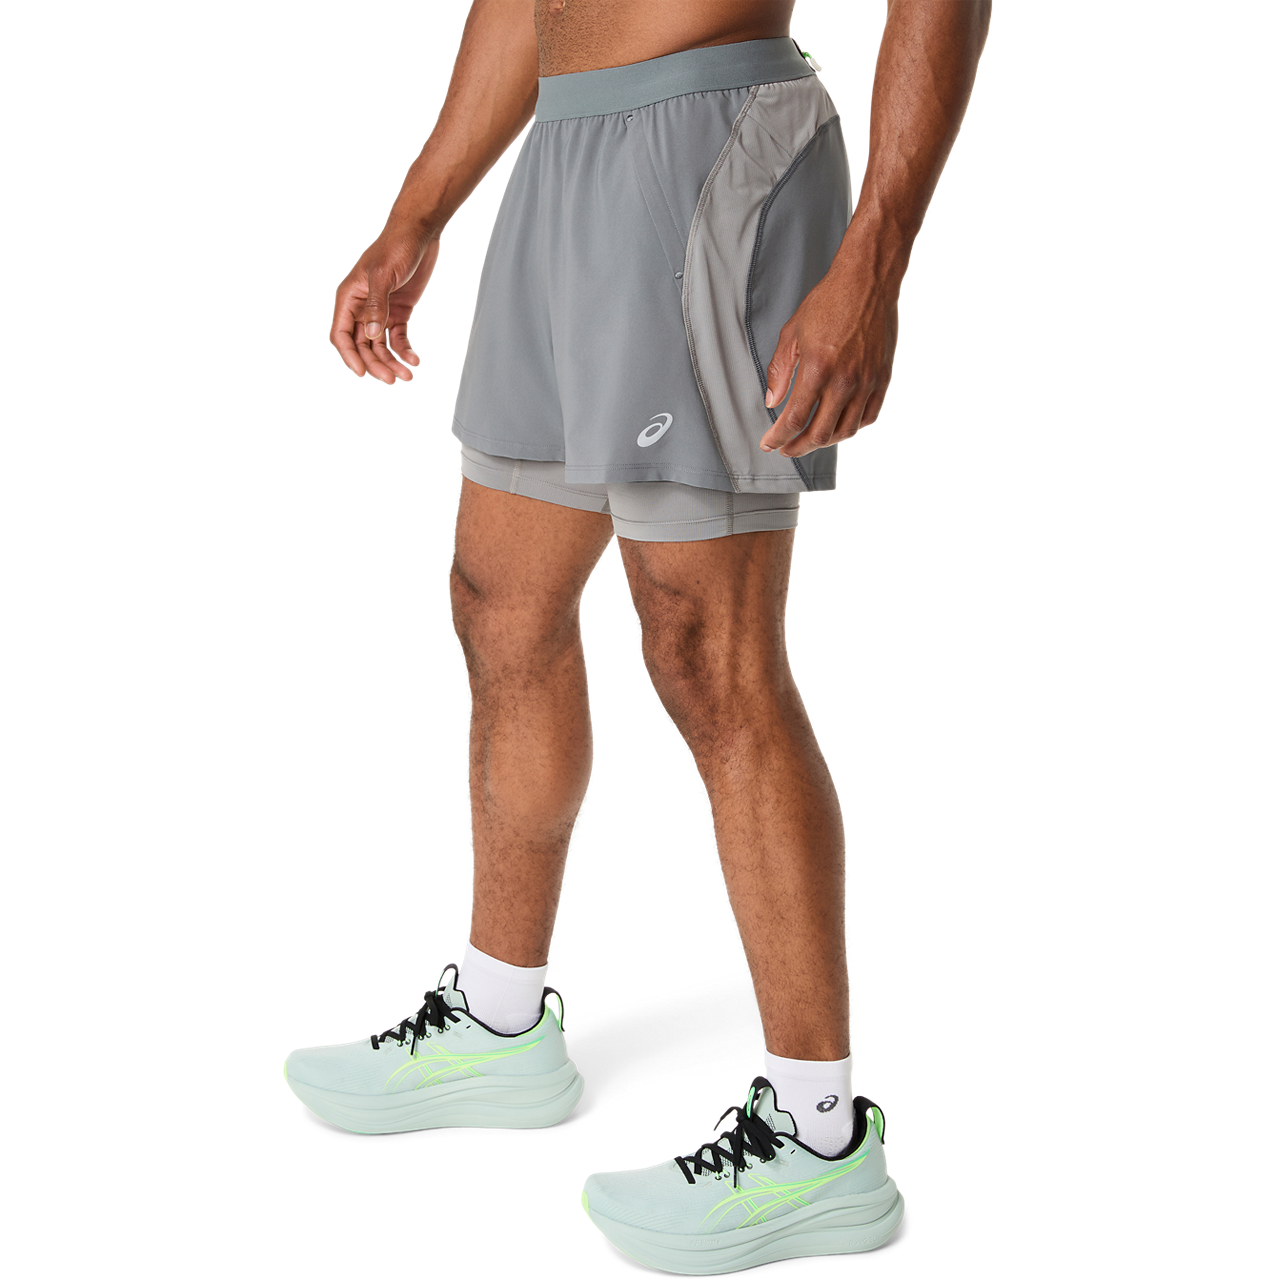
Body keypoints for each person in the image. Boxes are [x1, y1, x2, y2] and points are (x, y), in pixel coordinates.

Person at [285, 0, 990, 1271]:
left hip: (710, 142)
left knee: (705, 654)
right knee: (498, 599)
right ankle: (499, 1022)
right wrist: (417, 212)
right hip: (563, 150)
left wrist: (873, 262)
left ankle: (819, 1141)